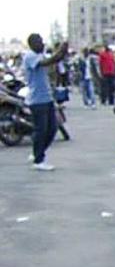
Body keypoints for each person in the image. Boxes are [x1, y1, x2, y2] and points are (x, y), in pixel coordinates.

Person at [23, 34, 68, 171]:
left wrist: (62, 52)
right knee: (41, 130)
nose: (42, 44)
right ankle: (39, 160)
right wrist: (61, 50)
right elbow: (49, 62)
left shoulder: (38, 55)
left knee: (52, 128)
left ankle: (38, 151)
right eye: (40, 42)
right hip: (37, 100)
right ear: (32, 44)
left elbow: (52, 60)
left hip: (46, 98)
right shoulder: (30, 56)